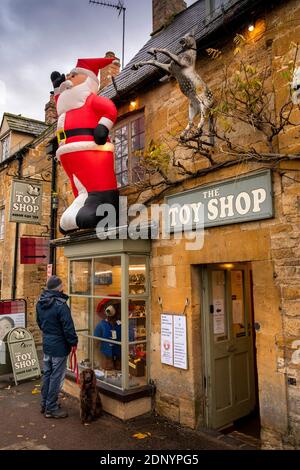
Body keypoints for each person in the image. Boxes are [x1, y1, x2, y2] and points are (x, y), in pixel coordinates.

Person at [36, 275, 78, 419]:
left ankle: (45, 403)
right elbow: (68, 328)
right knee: (56, 377)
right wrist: (73, 342)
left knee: (47, 374)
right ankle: (51, 408)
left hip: (47, 343)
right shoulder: (61, 305)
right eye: (62, 285)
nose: (63, 287)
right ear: (59, 288)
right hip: (59, 346)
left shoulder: (40, 302)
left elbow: (40, 323)